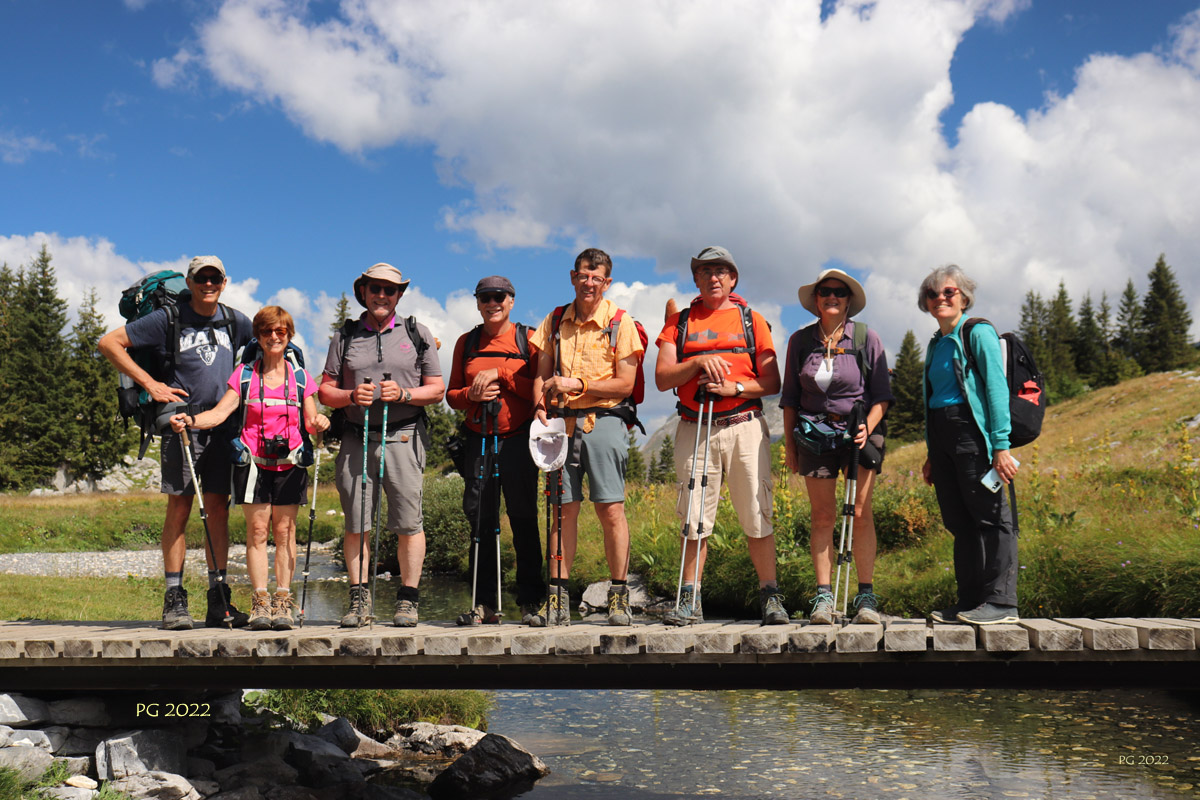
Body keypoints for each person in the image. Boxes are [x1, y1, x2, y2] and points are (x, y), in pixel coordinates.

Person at [99, 256, 253, 630]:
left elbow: (257, 358)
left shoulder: (236, 321)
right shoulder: (169, 317)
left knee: (218, 508)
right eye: (202, 278)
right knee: (180, 508)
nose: (208, 283)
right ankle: (174, 600)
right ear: (190, 280)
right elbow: (109, 343)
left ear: (224, 281)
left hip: (223, 425)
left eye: (215, 277)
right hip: (180, 423)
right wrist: (151, 385)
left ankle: (219, 600)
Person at [167, 306, 329, 630]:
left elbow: (312, 421)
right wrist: (190, 420)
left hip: (289, 464)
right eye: (267, 331)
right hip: (253, 465)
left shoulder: (300, 378)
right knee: (257, 533)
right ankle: (260, 603)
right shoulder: (243, 376)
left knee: (285, 533)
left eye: (280, 332)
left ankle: (282, 601)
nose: (273, 337)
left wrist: (320, 422)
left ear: (289, 336)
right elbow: (218, 414)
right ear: (258, 335)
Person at [655, 246, 788, 626]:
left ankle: (770, 596)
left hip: (743, 425)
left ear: (733, 279)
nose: (714, 277)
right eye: (706, 271)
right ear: (695, 278)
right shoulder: (679, 322)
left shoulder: (752, 320)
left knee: (757, 511)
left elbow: (771, 381)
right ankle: (689, 600)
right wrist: (696, 362)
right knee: (692, 516)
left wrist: (734, 388)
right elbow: (663, 378)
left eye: (722, 271)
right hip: (693, 426)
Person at [318, 263, 445, 628]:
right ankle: (359, 599)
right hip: (357, 438)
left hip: (404, 436)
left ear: (399, 295)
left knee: (408, 523)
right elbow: (325, 389)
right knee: (356, 524)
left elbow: (436, 389)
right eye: (375, 288)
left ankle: (407, 600)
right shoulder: (345, 336)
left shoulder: (416, 332)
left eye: (390, 290)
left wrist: (405, 393)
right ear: (364, 291)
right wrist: (349, 395)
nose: (382, 295)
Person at [528, 248, 644, 627]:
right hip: (560, 424)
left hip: (605, 419)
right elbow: (540, 374)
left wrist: (578, 383)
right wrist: (538, 408)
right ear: (573, 276)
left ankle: (619, 597)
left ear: (606, 282)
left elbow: (625, 384)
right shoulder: (555, 320)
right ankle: (557, 600)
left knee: (610, 509)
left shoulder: (620, 323)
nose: (589, 282)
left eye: (597, 277)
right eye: (583, 275)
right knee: (563, 512)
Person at [781, 268, 893, 625]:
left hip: (859, 434)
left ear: (849, 301)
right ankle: (824, 598)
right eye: (825, 291)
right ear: (815, 300)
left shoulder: (865, 338)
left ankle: (866, 596)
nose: (832, 296)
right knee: (823, 516)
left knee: (860, 513)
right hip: (813, 436)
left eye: (840, 292)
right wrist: (790, 447)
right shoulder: (799, 342)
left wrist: (867, 427)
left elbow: (882, 396)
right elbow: (790, 399)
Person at [919, 264, 1020, 625]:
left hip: (972, 435)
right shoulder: (935, 343)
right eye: (932, 294)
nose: (940, 298)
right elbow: (933, 399)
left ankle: (1002, 603)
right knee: (959, 522)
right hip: (944, 439)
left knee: (992, 518)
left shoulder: (977, 332)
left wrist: (1001, 446)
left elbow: (995, 388)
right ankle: (970, 602)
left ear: (963, 296)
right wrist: (932, 453)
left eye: (948, 292)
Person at [446, 276, 544, 625]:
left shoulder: (529, 338)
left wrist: (502, 374)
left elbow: (538, 389)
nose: (492, 302)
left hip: (517, 439)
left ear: (512, 301)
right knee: (480, 521)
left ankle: (532, 601)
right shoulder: (466, 341)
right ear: (477, 303)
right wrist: (470, 396)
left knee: (523, 519)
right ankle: (483, 603)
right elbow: (451, 395)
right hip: (479, 439)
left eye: (499, 296)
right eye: (485, 297)